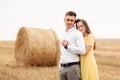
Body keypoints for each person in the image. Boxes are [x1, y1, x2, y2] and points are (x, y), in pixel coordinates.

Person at [59, 11, 86, 80]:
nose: (69, 22)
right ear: (64, 20)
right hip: (62, 68)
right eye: (68, 20)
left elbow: (83, 51)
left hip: (73, 68)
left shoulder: (77, 33)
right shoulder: (62, 33)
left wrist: (68, 47)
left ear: (74, 22)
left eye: (72, 20)